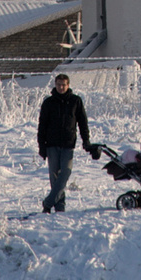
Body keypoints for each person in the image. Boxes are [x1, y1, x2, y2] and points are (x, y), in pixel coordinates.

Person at [35, 73, 93, 213]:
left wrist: (86, 140)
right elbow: (42, 125)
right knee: (54, 177)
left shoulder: (75, 101)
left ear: (68, 85)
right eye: (59, 84)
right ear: (55, 85)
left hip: (68, 143)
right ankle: (60, 207)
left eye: (64, 85)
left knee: (65, 173)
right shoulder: (48, 102)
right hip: (51, 144)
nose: (61, 87)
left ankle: (48, 203)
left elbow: (82, 123)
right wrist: (41, 146)